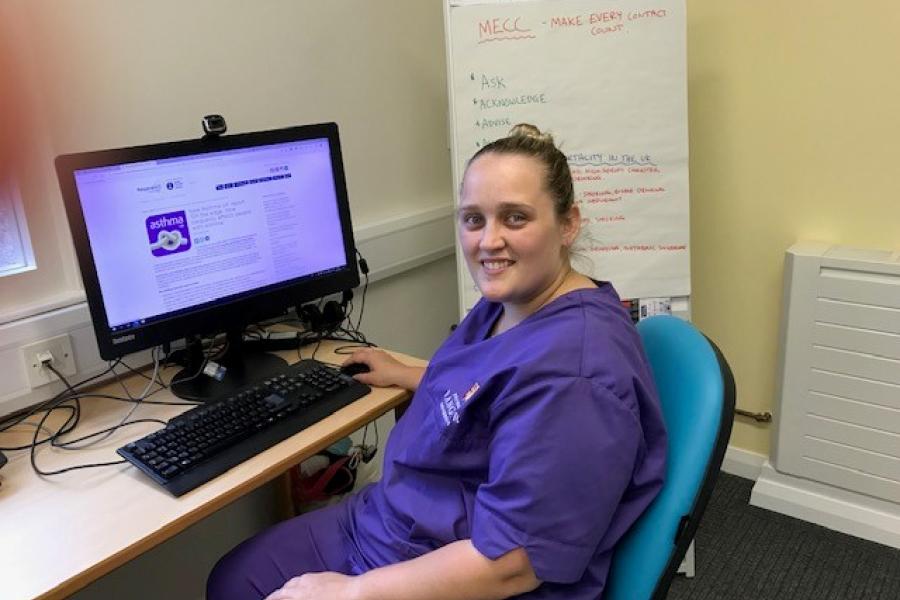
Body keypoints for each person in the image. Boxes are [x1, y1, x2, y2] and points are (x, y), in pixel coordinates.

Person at [207, 124, 667, 600]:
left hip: (457, 569)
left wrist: (351, 593)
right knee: (233, 576)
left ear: (568, 223)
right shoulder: (516, 302)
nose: (489, 242)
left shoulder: (577, 377)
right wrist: (407, 373)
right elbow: (496, 391)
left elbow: (513, 564)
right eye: (474, 219)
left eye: (515, 218)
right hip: (395, 523)